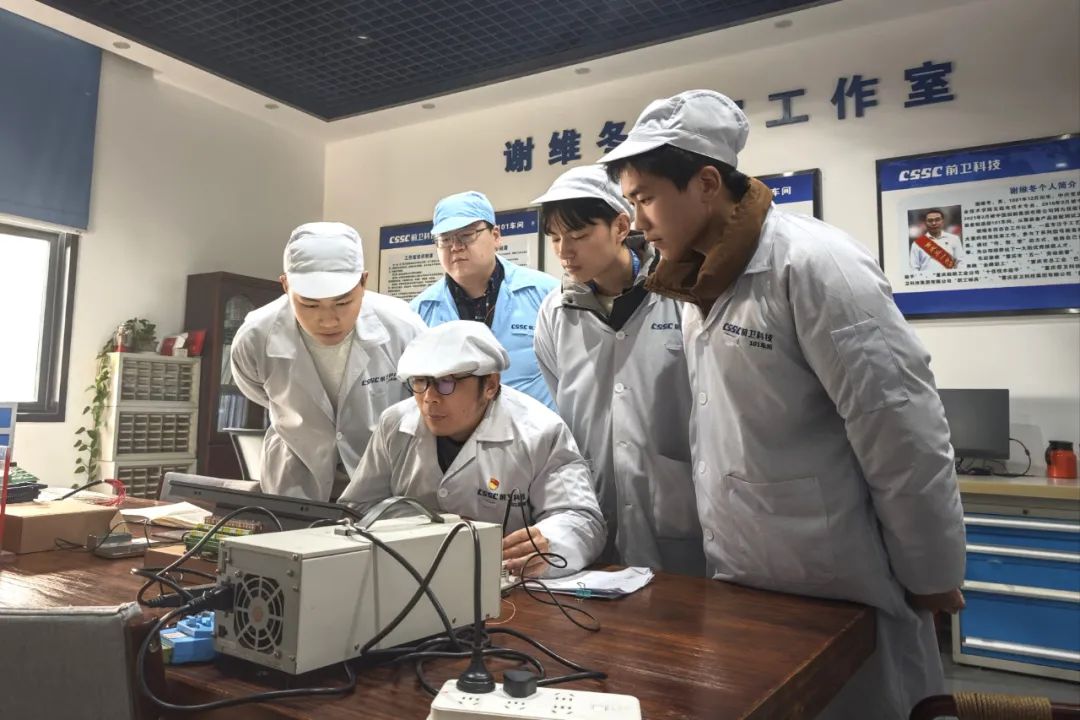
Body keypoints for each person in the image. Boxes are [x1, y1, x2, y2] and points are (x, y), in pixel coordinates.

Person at [598, 90, 966, 719]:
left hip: (842, 578)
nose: (636, 221)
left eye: (646, 198)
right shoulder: (697, 280)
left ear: (706, 183)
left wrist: (932, 571)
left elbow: (900, 426)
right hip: (746, 577)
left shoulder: (816, 264)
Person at [531, 164, 703, 575]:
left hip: (681, 506)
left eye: (578, 235)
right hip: (596, 504)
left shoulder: (681, 295)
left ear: (621, 227)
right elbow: (563, 401)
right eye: (554, 237)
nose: (564, 251)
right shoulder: (555, 312)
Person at [338, 320, 605, 577]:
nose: (429, 398)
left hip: (505, 582)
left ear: (490, 385)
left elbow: (582, 520)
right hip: (407, 574)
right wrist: (424, 528)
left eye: (446, 382)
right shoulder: (395, 424)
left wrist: (551, 541)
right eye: (420, 382)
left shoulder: (540, 431)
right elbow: (357, 508)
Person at [231, 222, 426, 501]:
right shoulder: (255, 337)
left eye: (343, 303)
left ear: (363, 282)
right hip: (296, 476)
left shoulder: (404, 328)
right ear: (285, 285)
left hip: (383, 477)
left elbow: (419, 403)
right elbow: (257, 391)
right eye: (309, 305)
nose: (328, 320)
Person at [410, 191, 558, 410]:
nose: (455, 247)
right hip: (457, 430)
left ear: (496, 236)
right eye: (445, 239)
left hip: (533, 429)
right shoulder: (419, 312)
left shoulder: (546, 294)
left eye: (467, 235)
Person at [909, 208, 964, 273]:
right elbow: (914, 268)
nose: (934, 223)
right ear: (925, 223)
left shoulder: (954, 239)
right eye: (930, 220)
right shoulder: (917, 244)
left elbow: (961, 263)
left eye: (937, 220)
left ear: (943, 221)